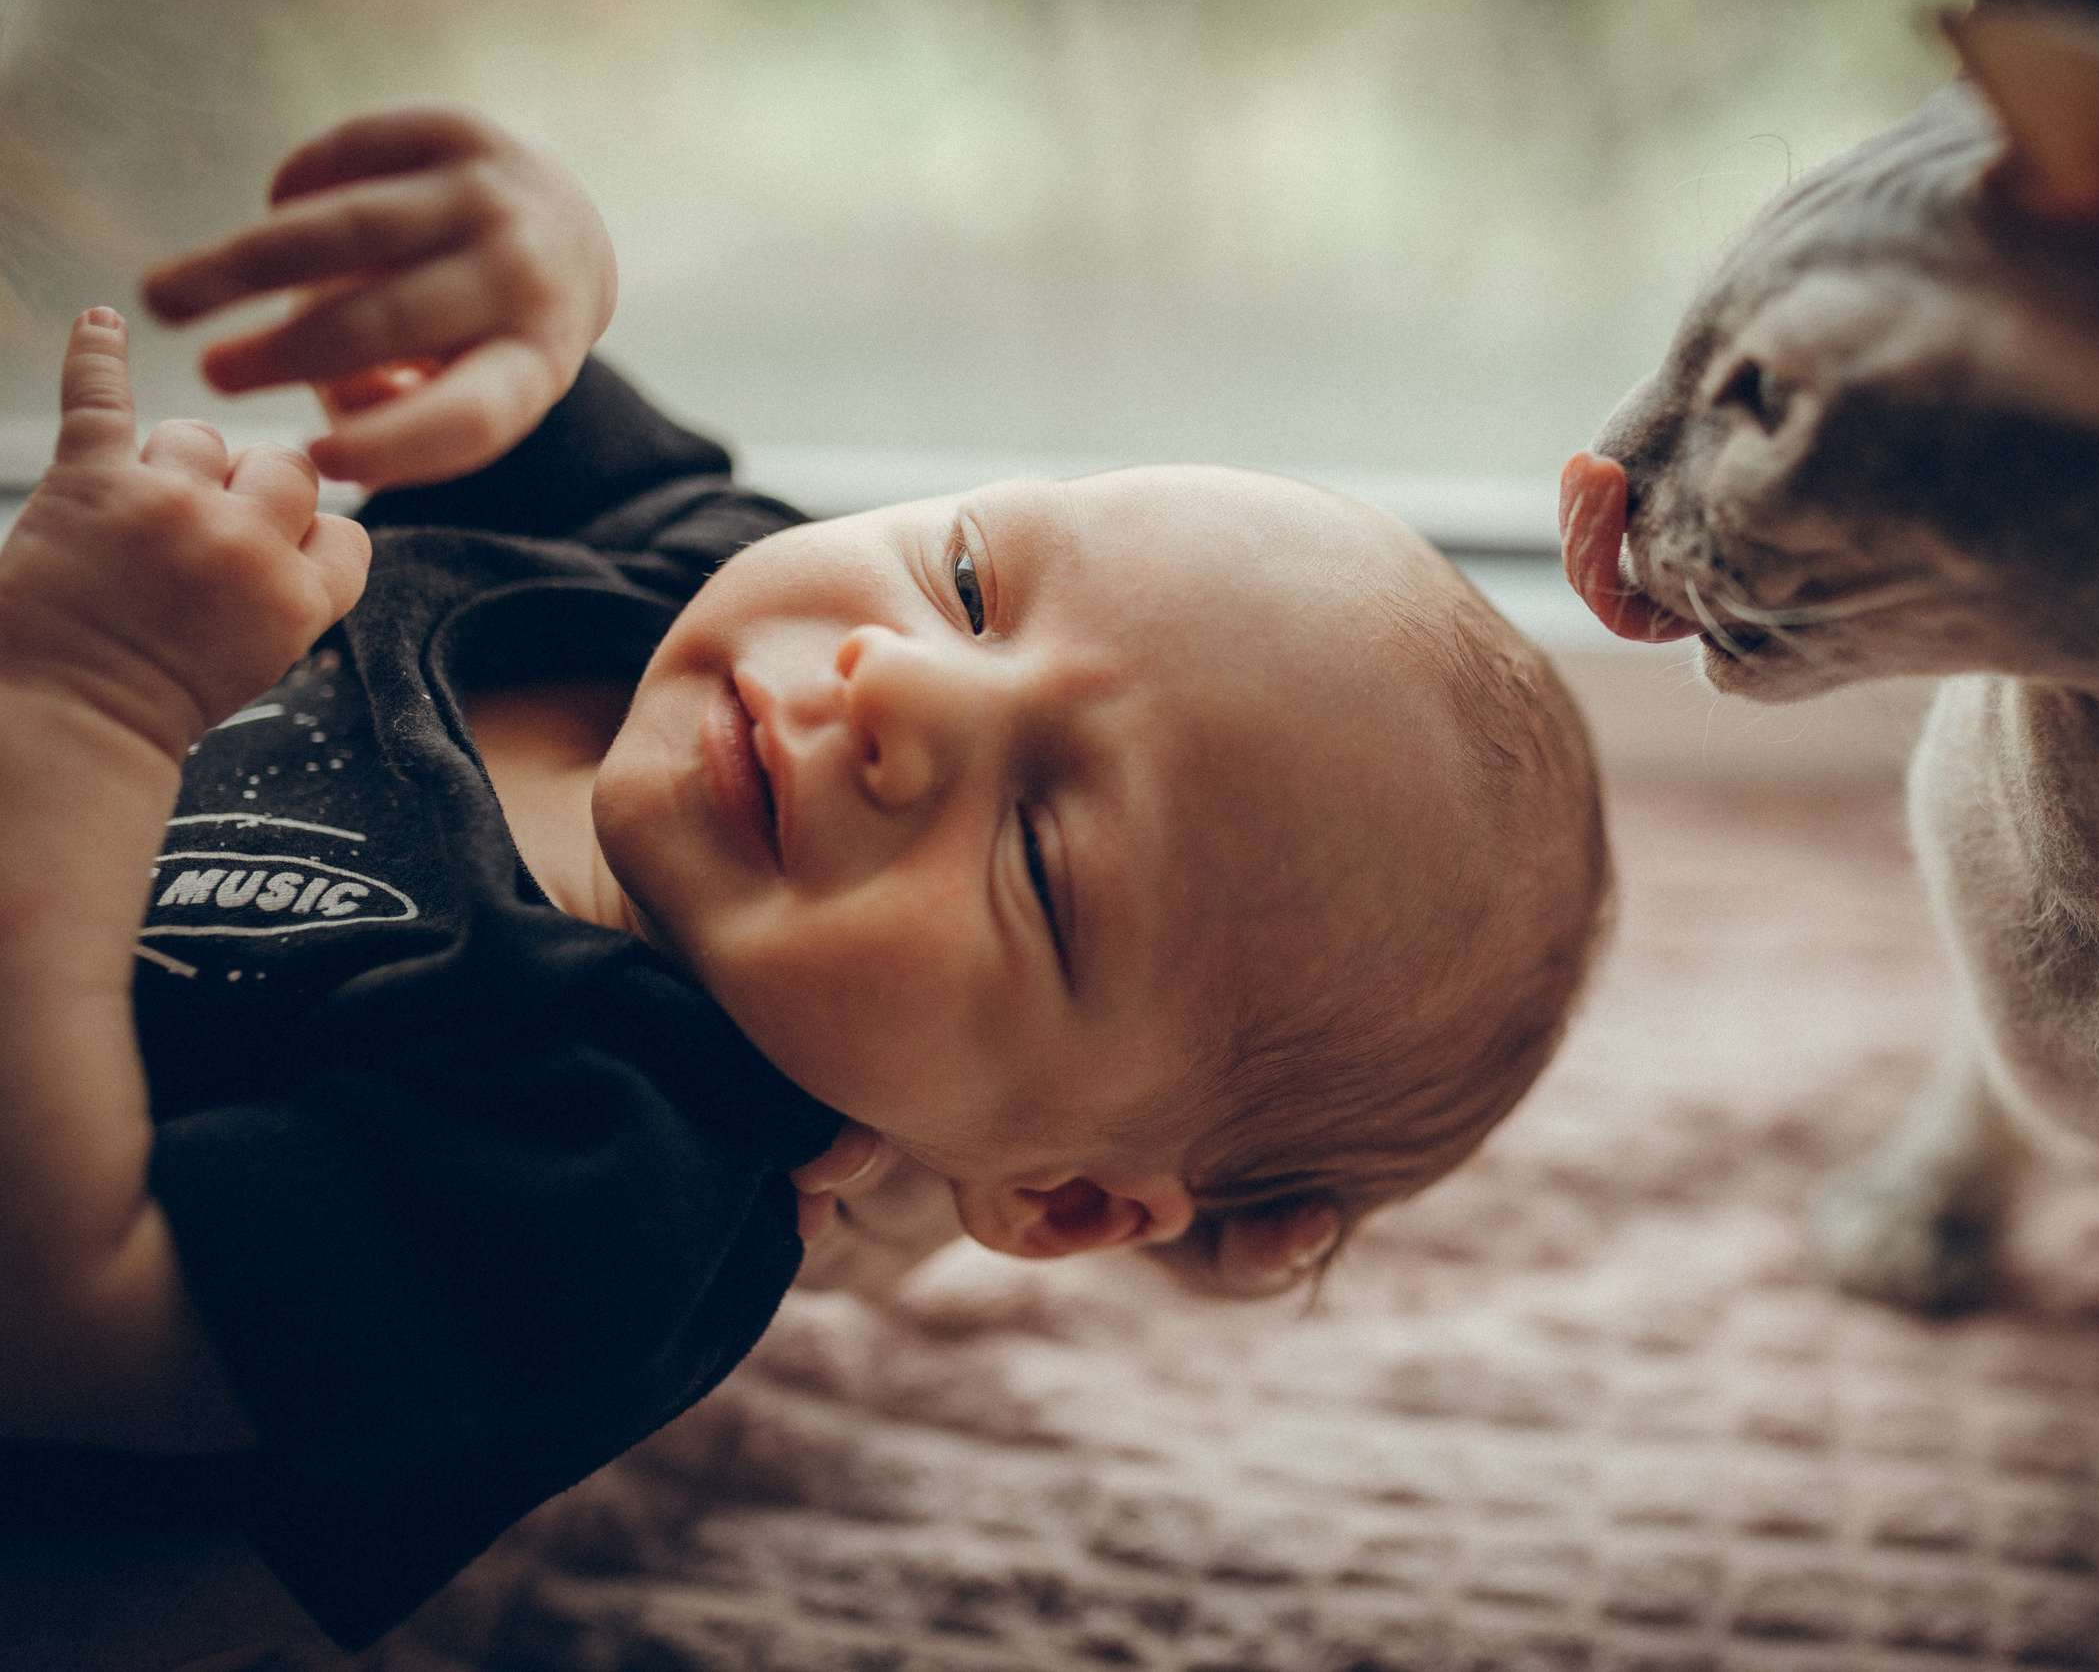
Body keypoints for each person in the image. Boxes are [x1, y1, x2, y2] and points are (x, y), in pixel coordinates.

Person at [0, 107, 1611, 1657]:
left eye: (1042, 853)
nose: (904, 687)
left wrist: (84, 704)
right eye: (976, 582)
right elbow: (518, 385)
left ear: (1052, 1198)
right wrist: (537, 278)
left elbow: (58, 1312)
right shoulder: (673, 569)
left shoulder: (600, 1183)